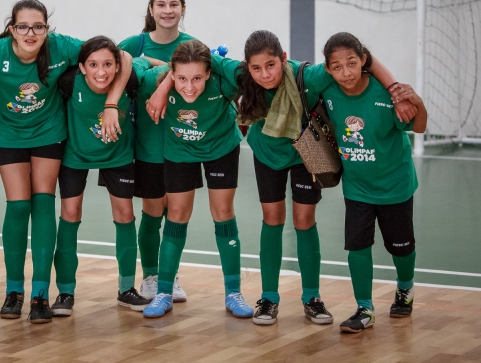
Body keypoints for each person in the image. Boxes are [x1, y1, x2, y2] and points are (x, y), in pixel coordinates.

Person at [0, 0, 132, 323]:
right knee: (18, 205)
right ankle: (14, 291)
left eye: (38, 26)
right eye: (23, 26)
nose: (30, 33)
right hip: (9, 134)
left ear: (46, 29)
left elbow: (122, 56)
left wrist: (111, 104)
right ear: (12, 29)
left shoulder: (60, 47)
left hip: (48, 131)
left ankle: (40, 294)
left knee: (42, 203)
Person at [206, 29, 415, 326]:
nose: (264, 74)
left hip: (305, 154)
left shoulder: (309, 77)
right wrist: (163, 86)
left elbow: (364, 60)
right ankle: (269, 297)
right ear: (247, 67)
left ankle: (312, 298)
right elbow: (205, 56)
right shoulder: (241, 74)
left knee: (304, 220)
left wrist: (394, 88)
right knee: (272, 218)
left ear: (283, 59)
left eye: (271, 65)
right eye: (256, 68)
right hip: (267, 155)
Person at [319, 32, 426, 333]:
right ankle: (364, 308)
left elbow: (419, 127)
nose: (346, 72)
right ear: (328, 69)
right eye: (337, 67)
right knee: (357, 246)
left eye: (352, 63)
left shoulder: (386, 94)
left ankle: (405, 288)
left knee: (400, 247)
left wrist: (417, 101)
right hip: (357, 186)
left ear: (364, 60)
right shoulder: (328, 92)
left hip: (395, 185)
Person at [140, 40, 253, 319]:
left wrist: (217, 61)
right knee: (177, 214)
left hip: (221, 148)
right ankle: (164, 292)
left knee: (223, 212)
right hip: (180, 150)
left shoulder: (223, 82)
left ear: (209, 73)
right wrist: (164, 86)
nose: (189, 87)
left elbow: (250, 73)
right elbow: (134, 65)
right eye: (181, 78)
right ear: (172, 73)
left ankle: (233, 293)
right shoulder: (156, 81)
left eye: (197, 78)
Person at [52, 36, 153, 316]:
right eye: (93, 64)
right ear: (82, 67)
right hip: (76, 156)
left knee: (125, 214)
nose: (101, 71)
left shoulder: (130, 79)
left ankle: (126, 289)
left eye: (108, 64)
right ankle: (65, 292)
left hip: (117, 156)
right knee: (70, 213)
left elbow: (144, 61)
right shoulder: (69, 82)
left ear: (117, 65)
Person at [118, 0, 196, 302]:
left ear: (183, 9)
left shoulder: (193, 47)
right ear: (151, 9)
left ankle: (169, 275)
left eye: (173, 4)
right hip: (148, 143)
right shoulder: (132, 45)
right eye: (161, 4)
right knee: (152, 211)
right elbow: (112, 77)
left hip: (183, 144)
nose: (167, 10)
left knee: (176, 213)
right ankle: (151, 276)